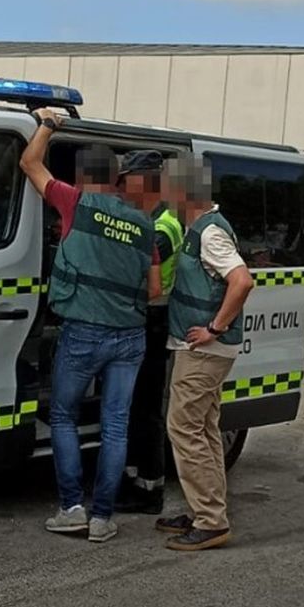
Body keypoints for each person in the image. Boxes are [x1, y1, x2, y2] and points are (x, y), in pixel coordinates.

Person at [19, 108, 162, 543]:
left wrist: (47, 124)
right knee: (115, 423)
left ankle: (71, 509)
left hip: (82, 331)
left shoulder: (75, 202)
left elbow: (29, 163)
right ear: (117, 179)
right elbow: (154, 289)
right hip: (130, 337)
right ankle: (102, 518)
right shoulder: (144, 225)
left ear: (83, 177)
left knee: (61, 415)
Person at [155, 155, 254, 551]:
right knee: (205, 429)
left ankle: (211, 521)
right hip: (207, 350)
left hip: (204, 351)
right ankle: (206, 510)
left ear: (184, 191)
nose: (162, 195)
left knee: (183, 428)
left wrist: (215, 328)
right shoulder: (199, 227)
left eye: (166, 187)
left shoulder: (210, 233)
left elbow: (242, 281)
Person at [116, 160, 184, 515]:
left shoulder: (163, 226)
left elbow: (135, 267)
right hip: (142, 319)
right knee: (132, 406)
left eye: (127, 181)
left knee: (146, 409)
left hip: (154, 321)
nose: (123, 188)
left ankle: (150, 490)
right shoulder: (148, 218)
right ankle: (131, 479)